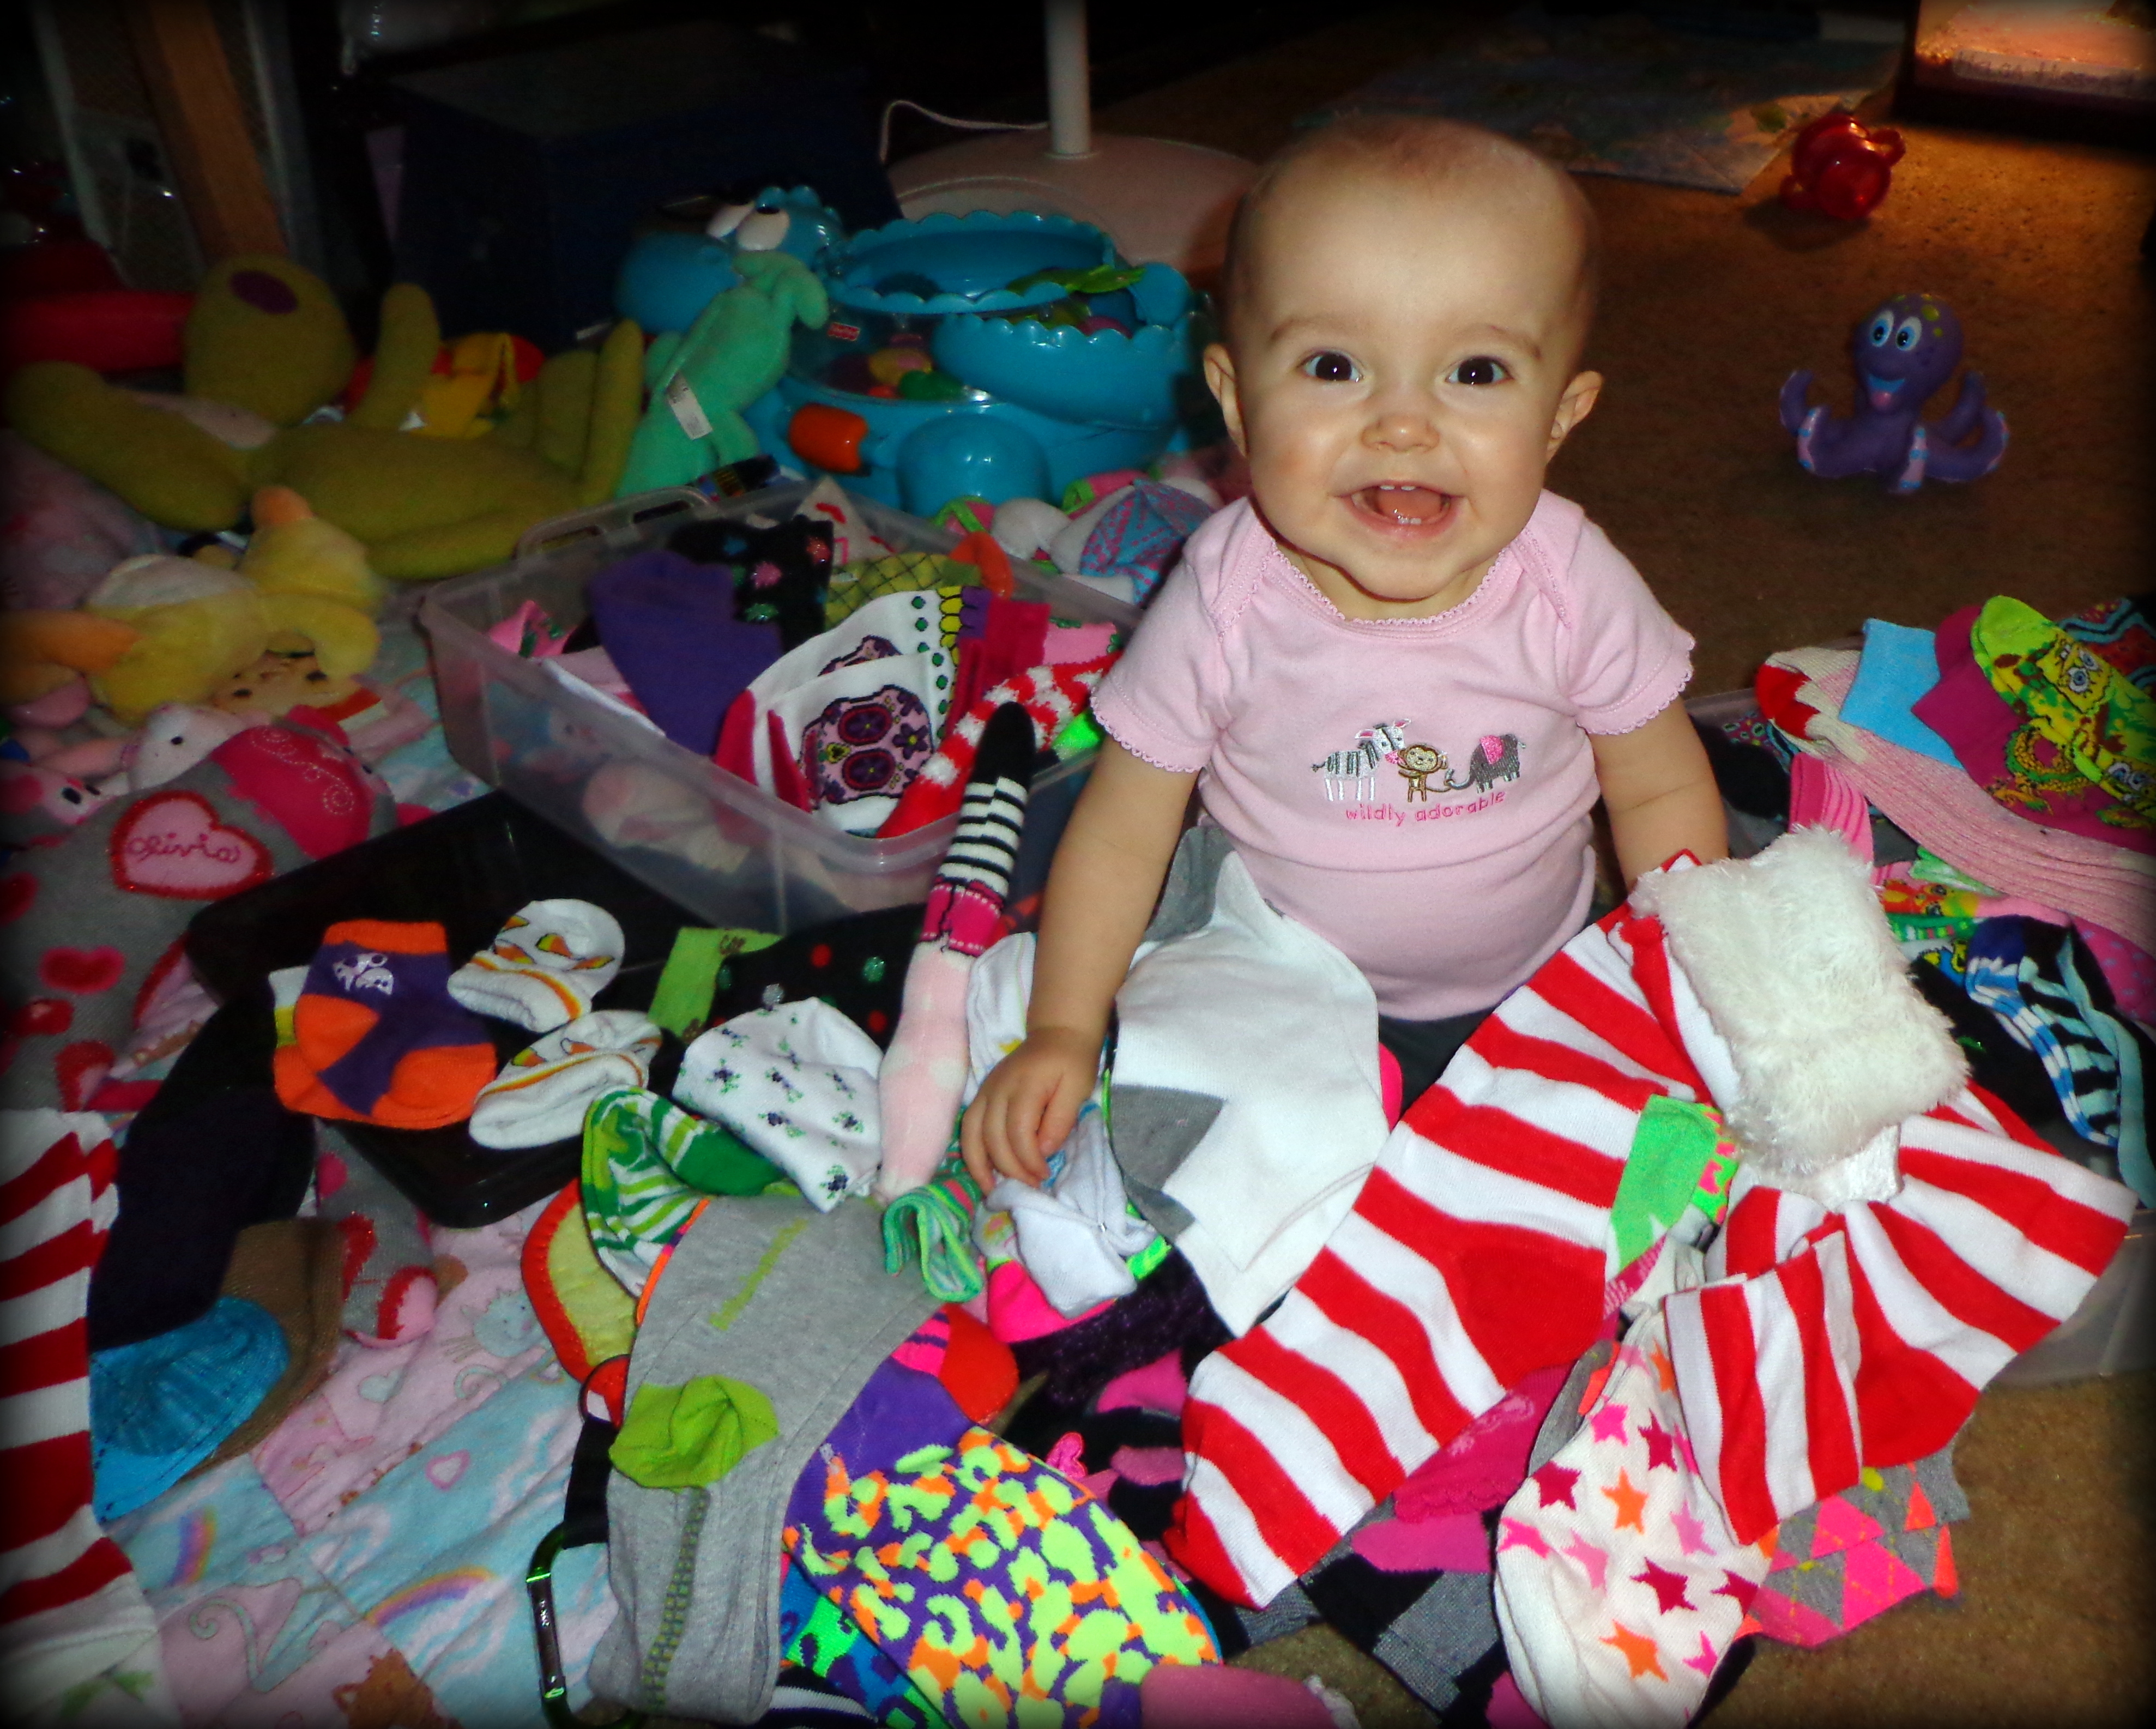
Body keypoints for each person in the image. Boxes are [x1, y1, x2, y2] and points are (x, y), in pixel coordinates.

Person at [962, 114, 1728, 1187]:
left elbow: (1654, 792)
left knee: (1591, 1172)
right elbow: (1124, 834)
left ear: (1560, 418)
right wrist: (1061, 1027)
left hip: (1536, 977)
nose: (1403, 424)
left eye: (1474, 370)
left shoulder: (1569, 579)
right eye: (1334, 365)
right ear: (1235, 399)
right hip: (1274, 987)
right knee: (1200, 1177)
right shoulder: (1226, 593)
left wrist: (1694, 970)